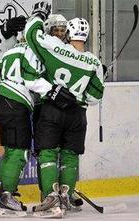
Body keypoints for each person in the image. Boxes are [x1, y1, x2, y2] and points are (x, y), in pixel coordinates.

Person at [24, 1, 105, 217]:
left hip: (53, 109)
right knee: (70, 155)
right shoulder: (93, 62)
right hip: (77, 113)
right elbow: (96, 96)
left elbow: (32, 34)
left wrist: (39, 15)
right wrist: (96, 77)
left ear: (68, 33)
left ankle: (51, 200)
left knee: (48, 152)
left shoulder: (56, 47)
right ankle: (67, 197)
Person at [0, 16, 53, 217]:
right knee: (19, 152)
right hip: (16, 102)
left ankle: (4, 194)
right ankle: (5, 197)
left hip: (4, 101)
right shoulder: (33, 52)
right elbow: (32, 79)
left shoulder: (9, 52)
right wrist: (53, 91)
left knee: (11, 151)